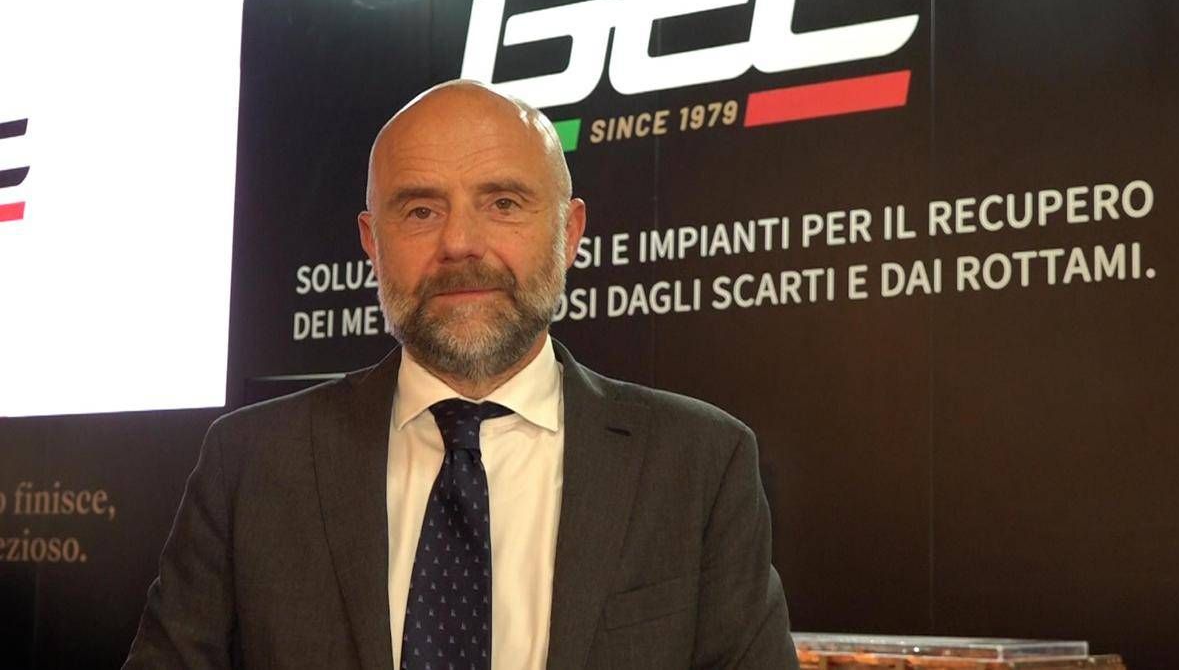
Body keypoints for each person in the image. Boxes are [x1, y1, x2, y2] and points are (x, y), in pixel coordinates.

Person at [124, 80, 798, 669]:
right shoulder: (249, 463)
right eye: (421, 210)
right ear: (372, 243)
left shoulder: (700, 463)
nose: (460, 243)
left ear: (569, 234)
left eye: (502, 203)